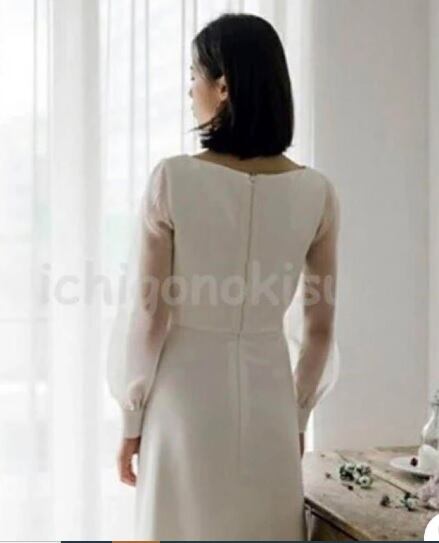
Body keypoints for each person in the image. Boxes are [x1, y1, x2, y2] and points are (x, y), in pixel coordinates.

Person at [107, 12, 340, 541]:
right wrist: (297, 416)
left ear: (224, 86)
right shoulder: (318, 192)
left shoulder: (173, 179)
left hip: (183, 402)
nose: (190, 90)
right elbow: (320, 329)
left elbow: (149, 315)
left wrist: (131, 420)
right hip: (269, 403)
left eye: (194, 76)